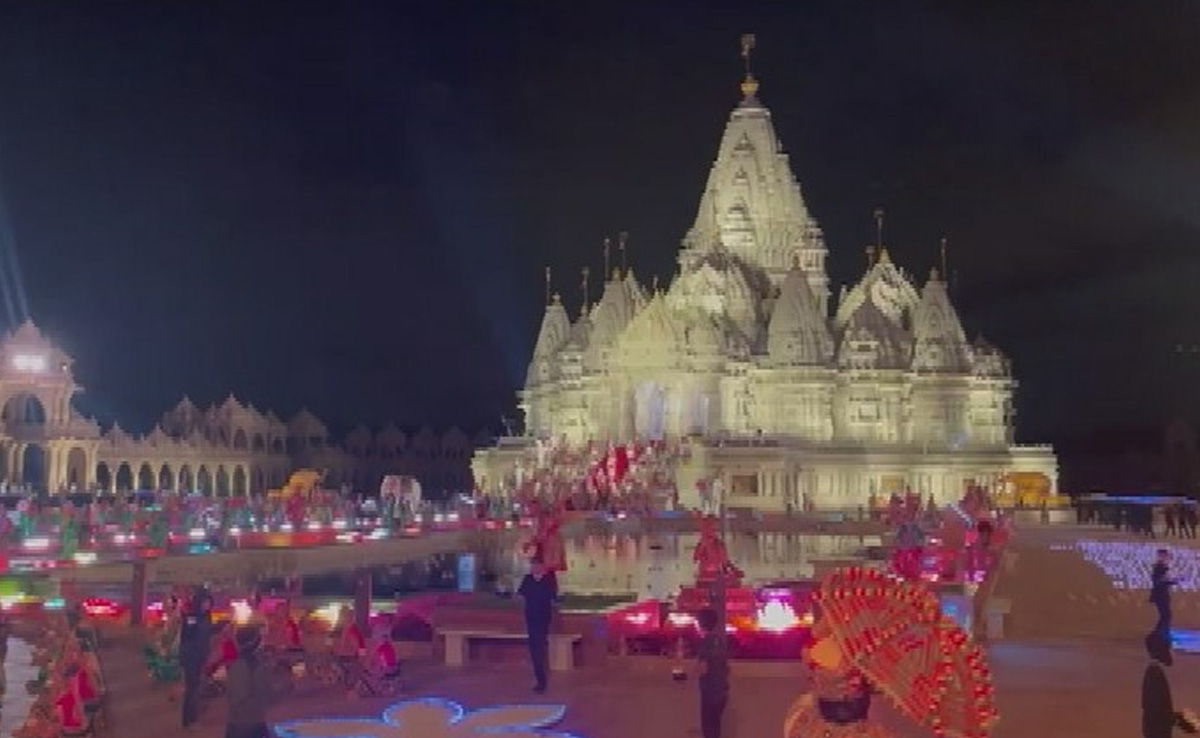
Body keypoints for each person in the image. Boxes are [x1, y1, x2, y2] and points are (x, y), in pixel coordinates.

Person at [1142, 630, 1197, 738]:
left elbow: (1158, 715)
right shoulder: (1154, 673)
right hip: (1156, 725)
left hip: (1156, 723)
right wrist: (1181, 720)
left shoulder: (1154, 672)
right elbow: (1158, 714)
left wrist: (1180, 719)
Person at [225, 626, 274, 738]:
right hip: (245, 721)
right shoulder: (245, 664)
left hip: (247, 719)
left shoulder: (250, 662)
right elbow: (240, 694)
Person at [517, 556, 557, 693]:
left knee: (540, 648)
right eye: (532, 566)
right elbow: (521, 594)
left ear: (542, 567)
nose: (533, 568)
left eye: (536, 566)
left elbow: (553, 597)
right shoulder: (527, 580)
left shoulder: (549, 580)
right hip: (530, 619)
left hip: (543, 620)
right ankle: (539, 679)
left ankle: (542, 680)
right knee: (534, 649)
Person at [179, 587, 214, 728]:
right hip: (190, 657)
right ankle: (188, 720)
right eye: (205, 602)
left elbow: (208, 632)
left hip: (200, 656)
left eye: (209, 602)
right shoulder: (191, 617)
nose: (208, 605)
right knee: (191, 688)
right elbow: (187, 638)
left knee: (195, 687)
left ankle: (193, 717)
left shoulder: (206, 616)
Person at [695, 608, 729, 738]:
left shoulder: (705, 643)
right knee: (715, 729)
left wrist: (690, 672)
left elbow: (702, 669)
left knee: (709, 729)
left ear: (701, 623)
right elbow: (726, 667)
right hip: (721, 691)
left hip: (709, 693)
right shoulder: (719, 641)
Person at [1151, 549, 1176, 636]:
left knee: (1166, 615)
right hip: (1160, 595)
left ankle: (1160, 632)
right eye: (1165, 556)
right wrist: (1173, 581)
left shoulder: (1161, 567)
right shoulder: (1159, 567)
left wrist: (1174, 581)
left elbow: (1162, 581)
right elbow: (1159, 581)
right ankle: (1160, 633)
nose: (1167, 558)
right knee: (1166, 615)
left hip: (1162, 594)